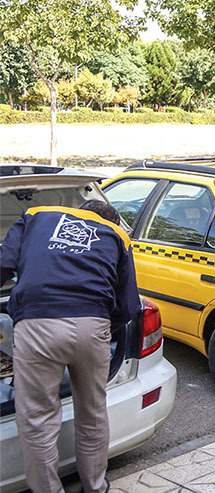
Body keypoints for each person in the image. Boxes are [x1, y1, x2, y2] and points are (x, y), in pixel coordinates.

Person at [0, 200, 139, 492]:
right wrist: (101, 329)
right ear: (110, 219)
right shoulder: (117, 234)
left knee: (38, 419)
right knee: (92, 412)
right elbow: (128, 306)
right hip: (93, 325)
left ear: (79, 208)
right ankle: (96, 487)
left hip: (37, 322)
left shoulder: (36, 216)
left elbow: (3, 265)